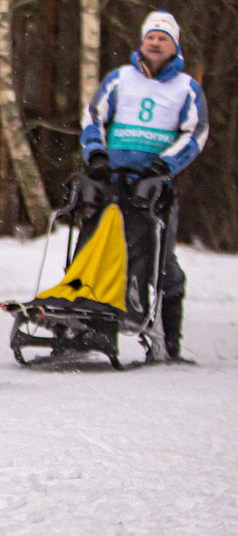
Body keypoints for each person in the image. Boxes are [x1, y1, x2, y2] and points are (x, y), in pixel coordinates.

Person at [80, 10, 208, 360]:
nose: (155, 42)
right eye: (151, 36)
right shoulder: (120, 78)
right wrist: (97, 156)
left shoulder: (186, 88)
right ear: (142, 42)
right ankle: (78, 321)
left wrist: (163, 167)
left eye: (163, 38)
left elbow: (196, 134)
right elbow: (94, 117)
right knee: (94, 250)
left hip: (154, 187)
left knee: (160, 260)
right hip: (110, 180)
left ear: (174, 47)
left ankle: (168, 344)